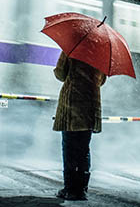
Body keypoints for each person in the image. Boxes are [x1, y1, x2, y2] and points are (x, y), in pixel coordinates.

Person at [52, 51, 106, 201]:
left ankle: (70, 189)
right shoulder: (100, 53)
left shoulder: (72, 48)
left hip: (72, 105)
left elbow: (60, 74)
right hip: (91, 106)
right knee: (83, 150)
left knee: (69, 148)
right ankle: (81, 189)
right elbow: (101, 80)